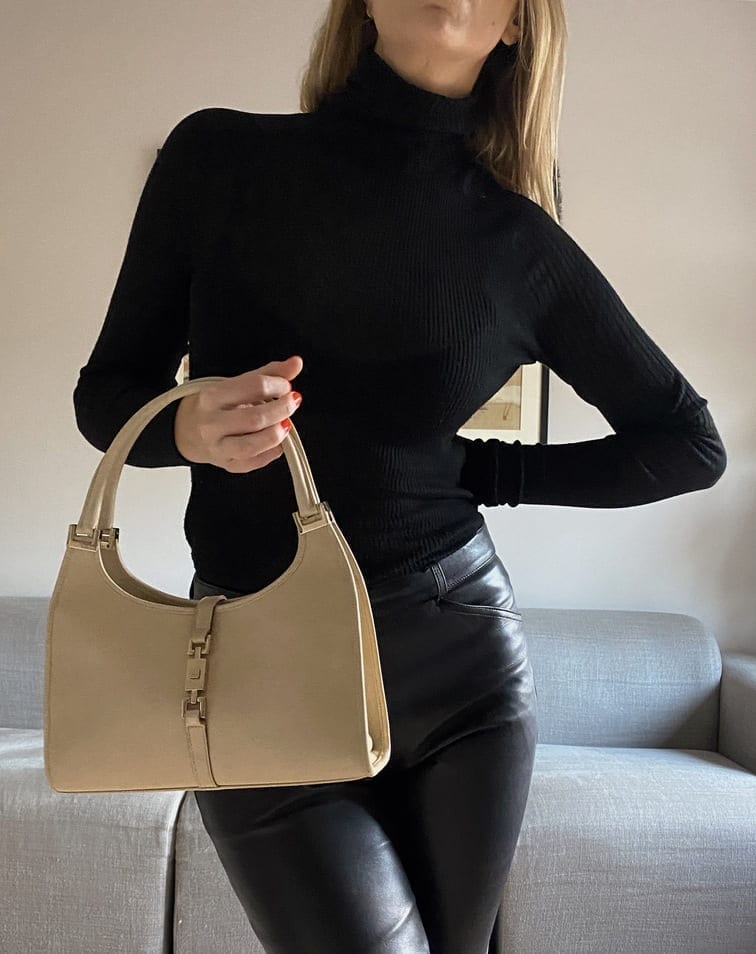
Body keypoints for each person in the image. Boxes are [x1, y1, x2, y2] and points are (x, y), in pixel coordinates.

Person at [72, 1, 727, 952]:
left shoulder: (519, 243)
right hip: (256, 661)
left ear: (516, 25)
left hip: (456, 662)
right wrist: (186, 425)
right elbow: (105, 396)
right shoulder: (218, 158)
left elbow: (689, 444)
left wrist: (481, 470)